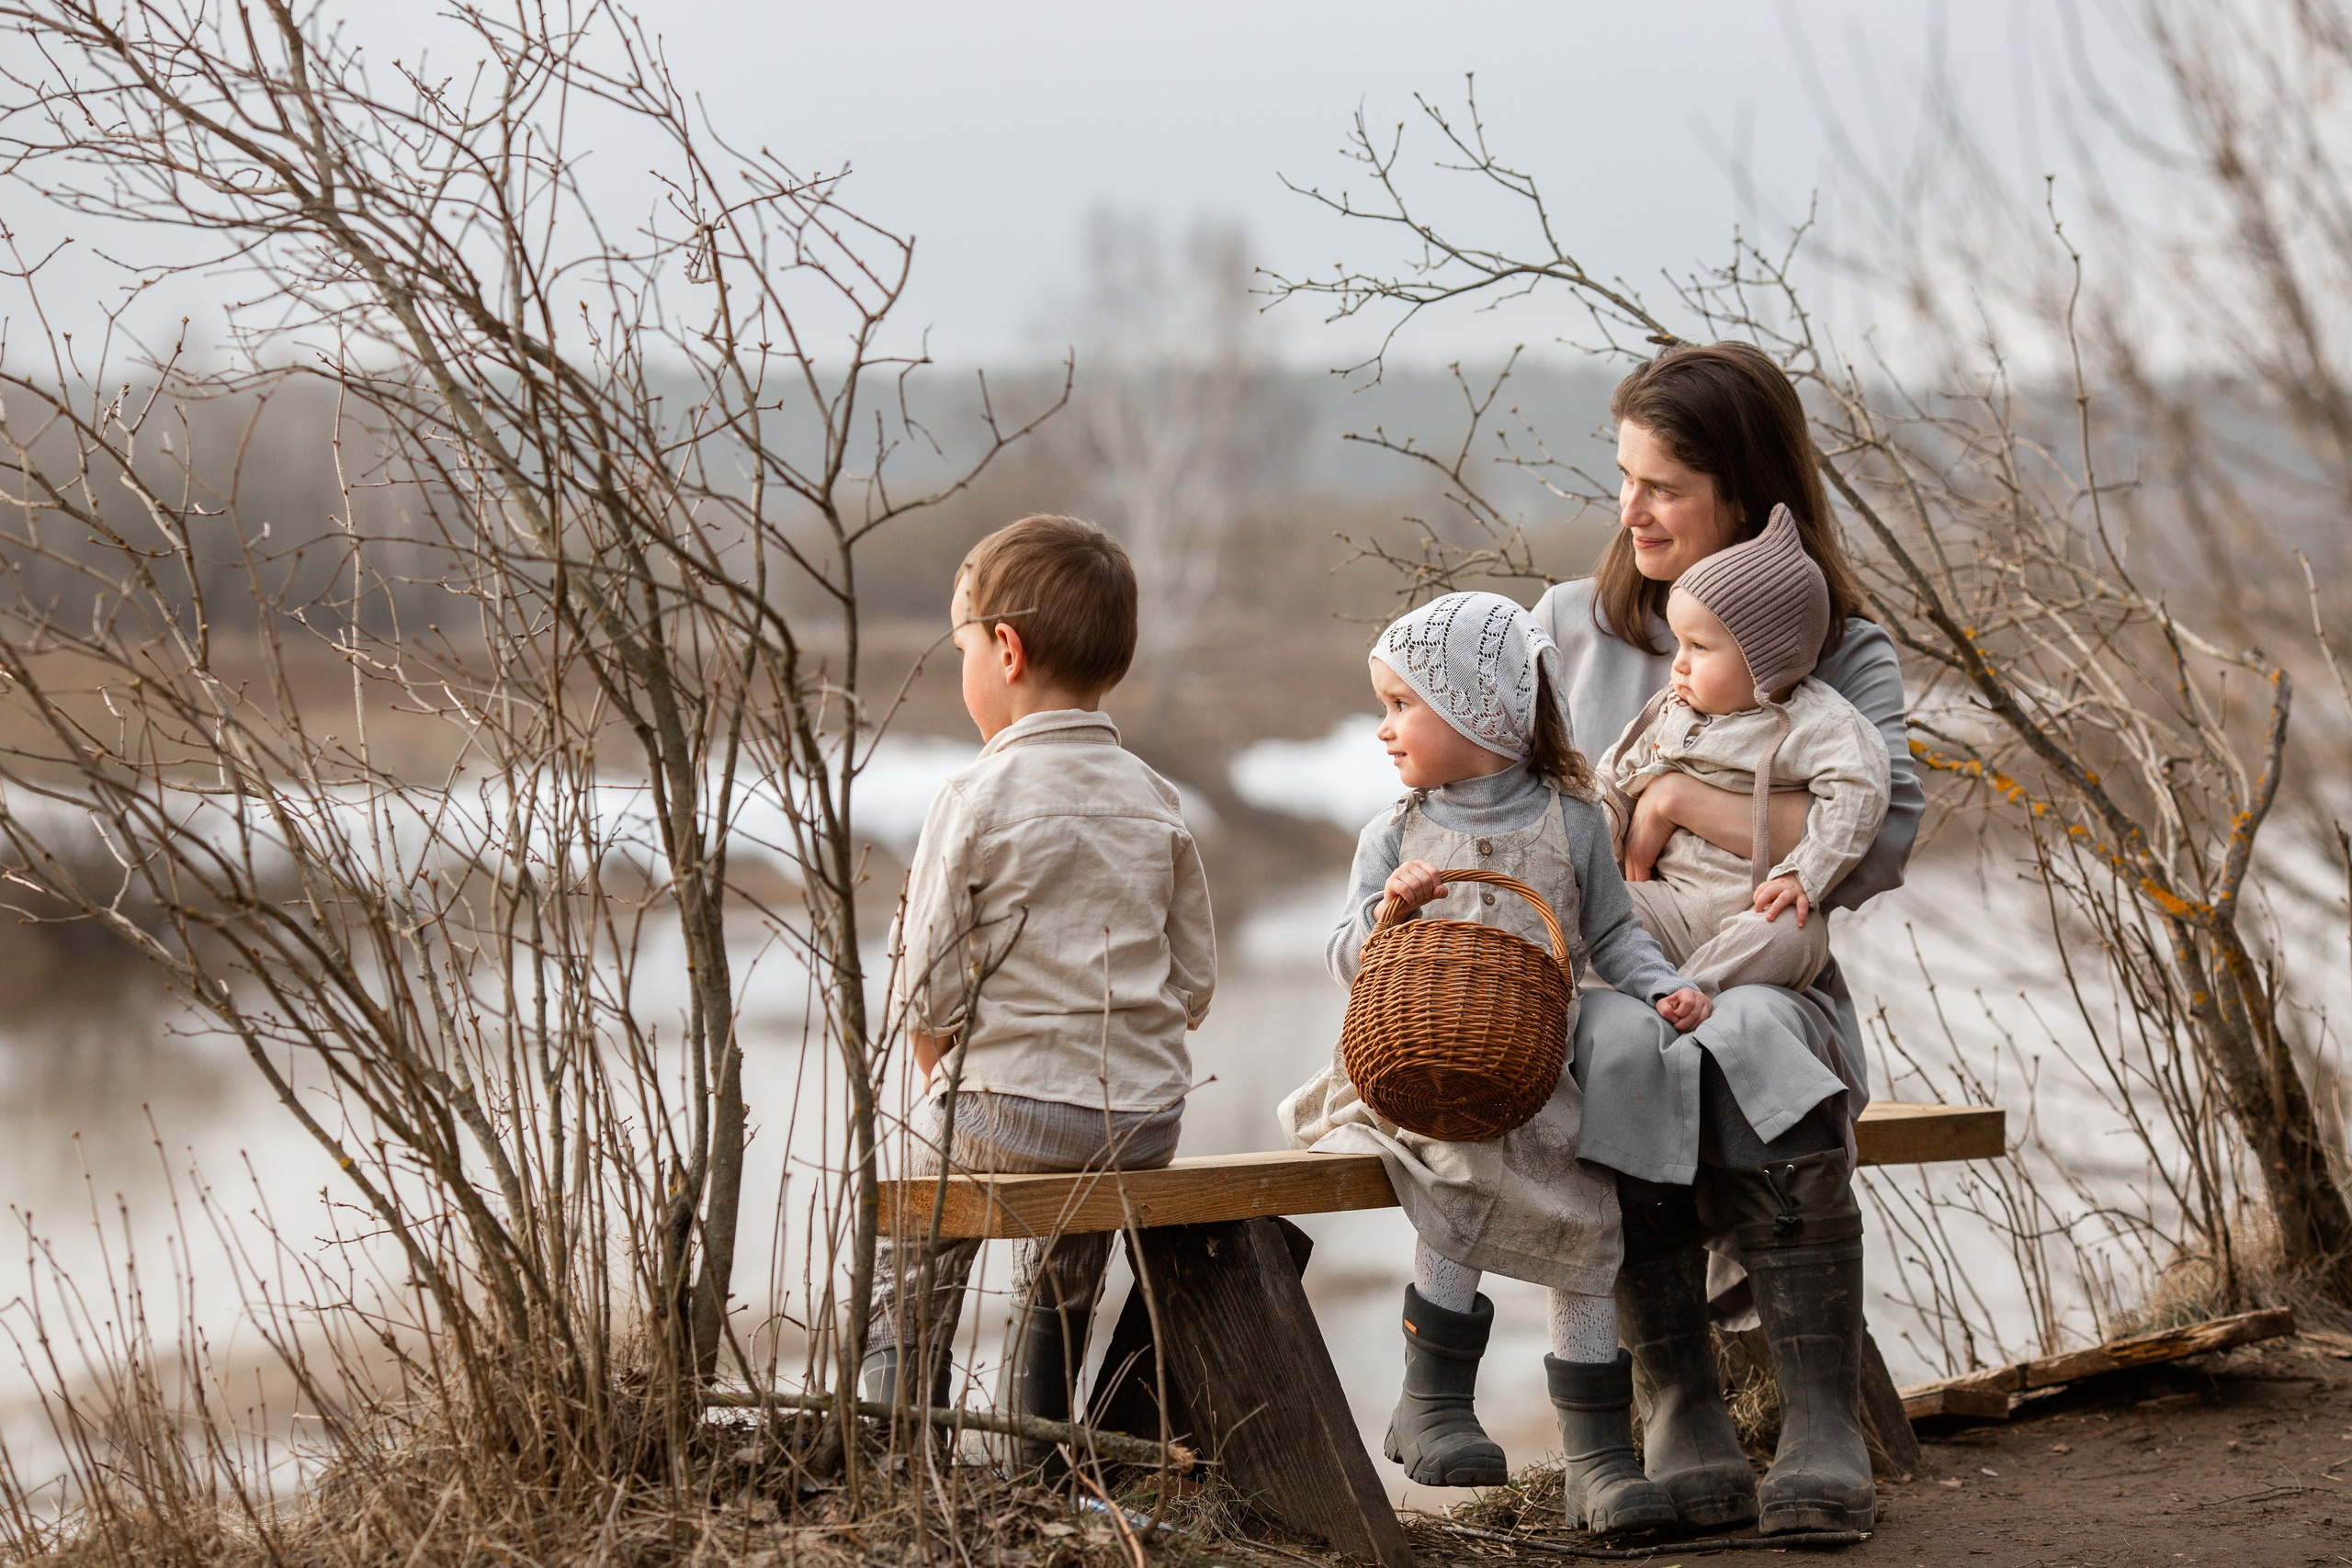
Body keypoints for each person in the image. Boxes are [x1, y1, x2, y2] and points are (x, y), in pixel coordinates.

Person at [1534, 342, 1923, 1538]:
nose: (1631, 509)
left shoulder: (1836, 647)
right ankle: (1681, 1406)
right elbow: (1516, 820)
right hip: (1609, 985)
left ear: (1747, 500)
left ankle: (1819, 1420)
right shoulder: (1570, 629)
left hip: (1767, 966)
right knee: (1622, 1044)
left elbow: (1883, 830)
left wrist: (1691, 804)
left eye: (1664, 485)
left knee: (1753, 1026)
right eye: (1625, 476)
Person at [1279, 591, 1712, 1536]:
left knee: (1587, 1203)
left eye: (1403, 705)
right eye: (1382, 706)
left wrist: (1658, 989)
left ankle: (1597, 1458)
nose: (1385, 730)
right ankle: (1431, 1400)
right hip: (1412, 1068)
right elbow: (1344, 956)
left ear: (1480, 710)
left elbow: (1610, 938)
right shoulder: (1392, 834)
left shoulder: (1572, 819)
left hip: (1527, 1068)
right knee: (1457, 1153)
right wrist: (1389, 913)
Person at [867, 514, 1217, 1468]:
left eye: (963, 645)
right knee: (1067, 1255)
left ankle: (897, 1451)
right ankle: (1040, 1455)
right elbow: (1193, 983)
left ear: (1006, 650)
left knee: (907, 1240)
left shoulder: (974, 798)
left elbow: (926, 983)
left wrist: (940, 1059)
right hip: (1140, 1120)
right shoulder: (1154, 797)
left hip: (1008, 1113)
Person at [1595, 504, 1890, 995]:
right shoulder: (1672, 710)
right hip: (1667, 902)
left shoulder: (1820, 723)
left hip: (1757, 909)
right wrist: (1598, 847)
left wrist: (1804, 876)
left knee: (1797, 936)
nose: (1679, 666)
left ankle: (1688, 990)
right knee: (1590, 911)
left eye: (1700, 648)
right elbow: (1612, 779)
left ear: (1767, 659)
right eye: (1679, 644)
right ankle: (1651, 984)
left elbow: (1860, 794)